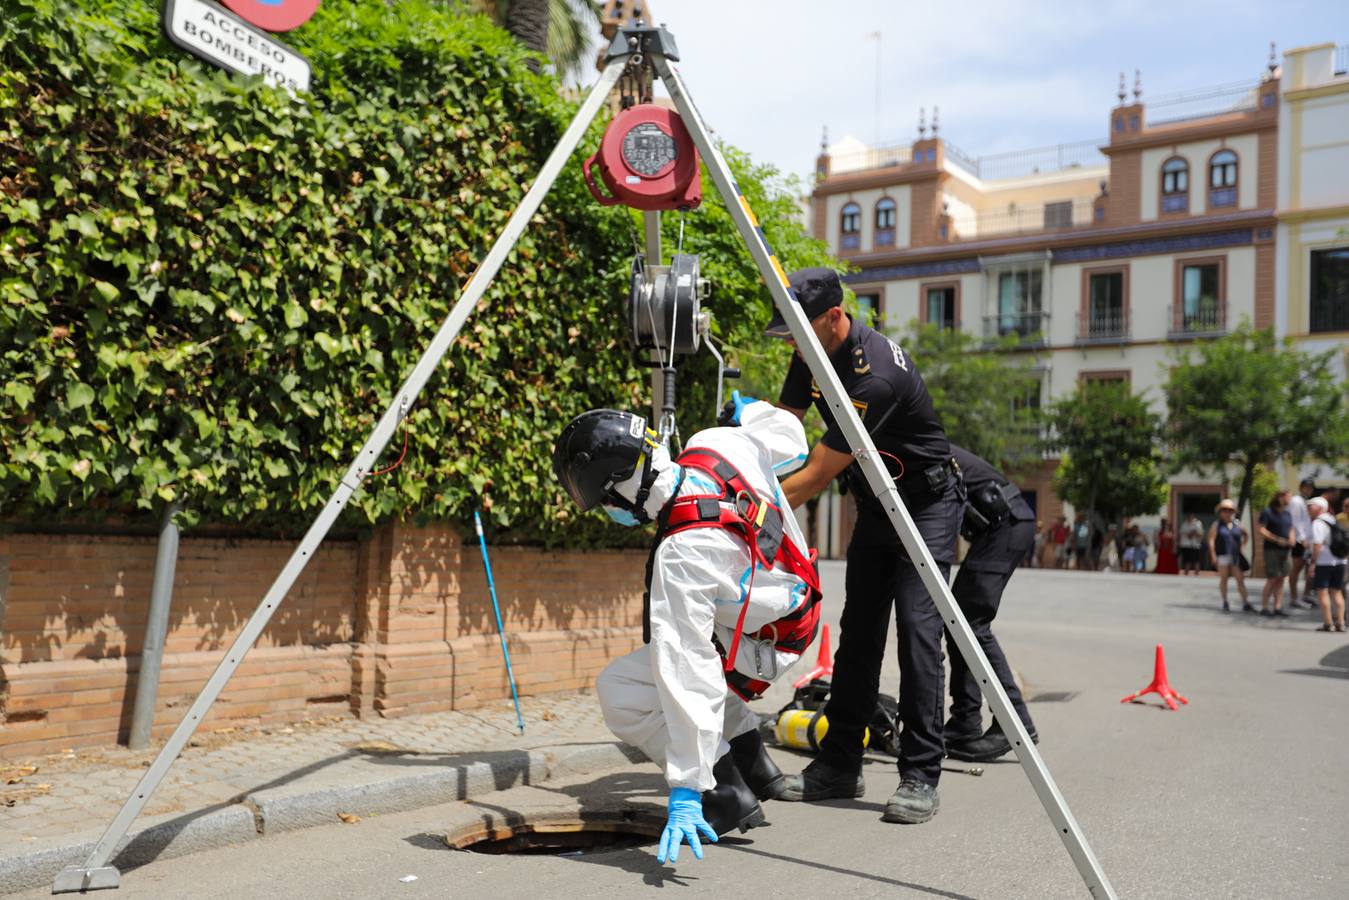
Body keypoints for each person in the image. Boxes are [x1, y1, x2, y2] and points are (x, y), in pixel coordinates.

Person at [552, 398, 819, 864]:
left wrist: (686, 787)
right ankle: (755, 763)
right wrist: (751, 410)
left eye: (606, 503)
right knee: (687, 647)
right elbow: (791, 442)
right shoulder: (715, 443)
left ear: (621, 487)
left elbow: (688, 670)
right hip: (798, 605)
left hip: (767, 645)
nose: (610, 513)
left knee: (624, 689)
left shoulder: (683, 554)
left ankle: (724, 791)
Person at [768, 267, 962, 825]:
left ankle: (921, 775)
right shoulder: (809, 351)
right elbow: (787, 430)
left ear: (834, 318)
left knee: (919, 632)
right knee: (858, 634)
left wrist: (748, 515)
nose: (794, 349)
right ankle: (838, 766)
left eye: (800, 334)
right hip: (879, 504)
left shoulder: (873, 376)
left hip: (926, 506)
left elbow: (815, 476)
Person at [943, 445, 1038, 762]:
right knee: (958, 622)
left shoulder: (917, 446)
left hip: (1006, 525)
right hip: (998, 528)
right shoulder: (916, 441)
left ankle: (1015, 723)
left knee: (970, 623)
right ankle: (964, 723)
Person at [1307, 496, 1347, 632]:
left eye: (1311, 506)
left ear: (1319, 508)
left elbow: (1317, 545)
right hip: (1340, 561)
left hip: (1324, 562)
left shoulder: (1318, 523)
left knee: (1322, 592)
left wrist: (1313, 563)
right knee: (1337, 592)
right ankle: (1341, 623)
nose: (1308, 509)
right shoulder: (1333, 519)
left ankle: (1328, 623)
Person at [1207, 499, 1251, 612]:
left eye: (1230, 510)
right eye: (1225, 510)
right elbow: (1211, 540)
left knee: (1240, 579)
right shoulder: (1217, 525)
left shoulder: (1237, 524)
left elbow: (1246, 535)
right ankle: (1225, 601)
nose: (1228, 513)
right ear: (1220, 512)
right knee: (1224, 579)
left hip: (1235, 555)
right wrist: (1213, 555)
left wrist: (1242, 547)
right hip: (1222, 555)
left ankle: (1246, 602)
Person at [1257, 491, 1295, 617]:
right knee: (1272, 578)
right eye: (1288, 496)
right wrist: (1277, 539)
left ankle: (1277, 607)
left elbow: (1291, 529)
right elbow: (1261, 529)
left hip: (1286, 551)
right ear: (1280, 497)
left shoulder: (1287, 514)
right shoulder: (1268, 512)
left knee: (1281, 579)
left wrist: (1292, 539)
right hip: (1272, 550)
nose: (1290, 499)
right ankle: (1264, 607)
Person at [1287, 478, 1316, 606]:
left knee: (1309, 569)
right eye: (1306, 487)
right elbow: (1294, 521)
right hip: (1300, 541)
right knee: (1296, 569)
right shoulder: (1296, 501)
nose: (1308, 490)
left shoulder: (1306, 502)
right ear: (1301, 487)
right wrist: (1302, 538)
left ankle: (1306, 594)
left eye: (1310, 488)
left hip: (1308, 541)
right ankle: (1293, 598)